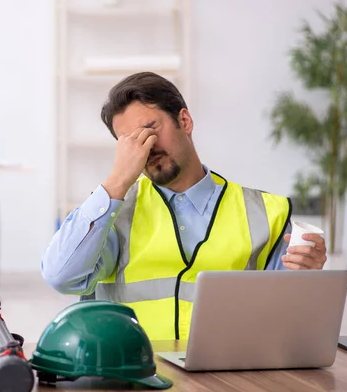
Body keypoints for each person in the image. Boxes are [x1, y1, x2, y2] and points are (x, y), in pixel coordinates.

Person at [41, 72, 327, 341]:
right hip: (134, 375)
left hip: (228, 375)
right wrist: (117, 181)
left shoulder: (267, 212)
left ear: (185, 121)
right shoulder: (112, 212)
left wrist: (307, 275)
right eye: (130, 142)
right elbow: (60, 277)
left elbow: (285, 320)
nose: (146, 147)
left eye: (150, 129)